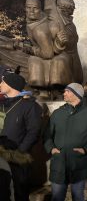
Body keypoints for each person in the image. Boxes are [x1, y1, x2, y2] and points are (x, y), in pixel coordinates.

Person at [44, 83, 87, 201]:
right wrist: (51, 148)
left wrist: (85, 149)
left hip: (79, 164)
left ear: (76, 94)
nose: (64, 93)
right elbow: (46, 135)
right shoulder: (57, 114)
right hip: (59, 164)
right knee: (57, 197)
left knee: (78, 196)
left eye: (67, 91)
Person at [0, 72, 42, 200]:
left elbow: (34, 132)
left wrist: (20, 151)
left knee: (19, 193)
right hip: (1, 157)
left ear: (12, 85)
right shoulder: (2, 105)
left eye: (3, 82)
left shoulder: (30, 106)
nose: (0, 84)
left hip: (18, 158)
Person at [24, 0, 72, 89]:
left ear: (40, 9)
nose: (31, 11)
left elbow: (47, 54)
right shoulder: (37, 21)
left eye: (35, 8)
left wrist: (32, 50)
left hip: (55, 56)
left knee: (34, 61)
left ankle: (47, 89)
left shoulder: (40, 30)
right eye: (28, 7)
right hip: (51, 52)